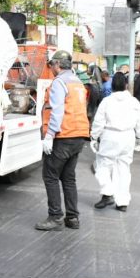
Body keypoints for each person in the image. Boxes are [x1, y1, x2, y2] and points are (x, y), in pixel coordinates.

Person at [35, 50, 90, 231]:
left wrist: (49, 135)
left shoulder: (59, 82)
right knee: (68, 178)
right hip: (79, 135)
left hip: (63, 136)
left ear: (58, 64)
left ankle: (55, 216)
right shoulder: (77, 82)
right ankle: (72, 218)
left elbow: (57, 111)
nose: (51, 68)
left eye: (51, 65)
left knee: (50, 176)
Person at [90, 72, 140, 212]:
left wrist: (94, 136)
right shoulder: (133, 102)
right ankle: (122, 202)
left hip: (110, 136)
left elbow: (98, 122)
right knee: (123, 169)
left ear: (113, 85)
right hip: (128, 137)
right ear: (126, 85)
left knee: (103, 166)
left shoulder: (107, 101)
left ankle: (107, 194)